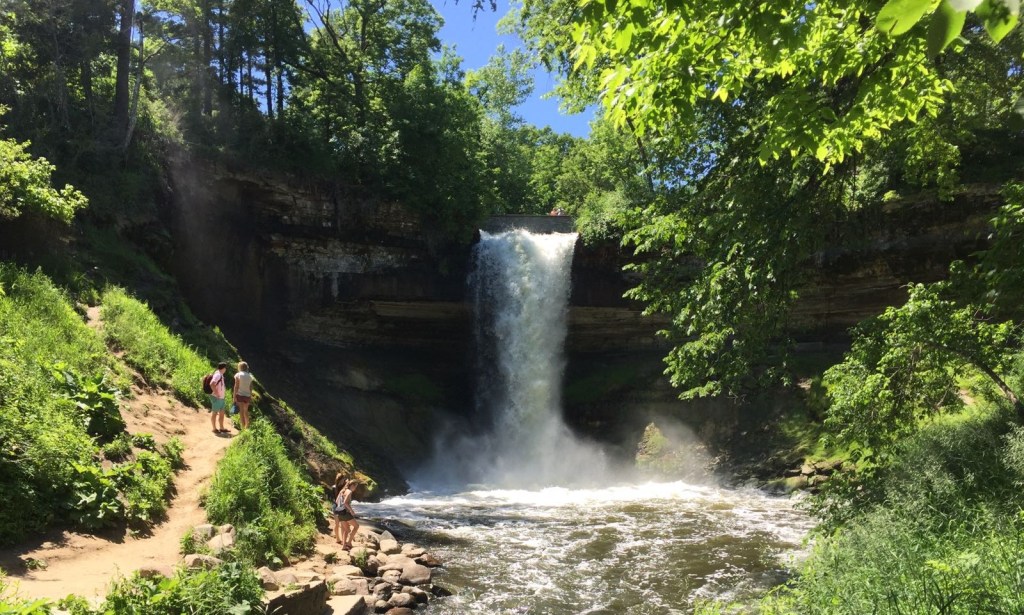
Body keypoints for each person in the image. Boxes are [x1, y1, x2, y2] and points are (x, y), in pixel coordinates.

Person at [333, 476, 359, 549]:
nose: (355, 489)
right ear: (352, 485)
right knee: (356, 526)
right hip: (345, 513)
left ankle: (344, 546)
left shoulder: (342, 491)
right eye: (355, 486)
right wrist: (351, 511)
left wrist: (339, 509)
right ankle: (349, 542)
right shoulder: (349, 491)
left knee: (346, 529)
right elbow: (345, 503)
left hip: (339, 513)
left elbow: (337, 501)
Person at [209, 362, 229, 434]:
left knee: (222, 412)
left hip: (221, 398)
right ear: (223, 368)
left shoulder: (220, 375)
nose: (226, 369)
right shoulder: (218, 375)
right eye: (225, 368)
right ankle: (214, 428)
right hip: (217, 398)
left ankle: (222, 428)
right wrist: (216, 393)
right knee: (214, 413)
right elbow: (212, 384)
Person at [233, 361, 253, 430]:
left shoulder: (238, 375)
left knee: (241, 412)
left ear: (240, 367)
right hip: (247, 396)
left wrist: (234, 396)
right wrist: (250, 397)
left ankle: (243, 429)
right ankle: (247, 427)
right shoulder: (250, 376)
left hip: (240, 395)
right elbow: (251, 388)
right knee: (245, 411)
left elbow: (236, 386)